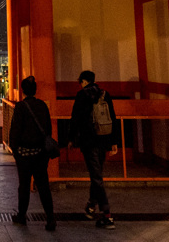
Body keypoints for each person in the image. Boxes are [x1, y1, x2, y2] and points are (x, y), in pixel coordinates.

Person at [68, 69, 118, 230]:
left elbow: (75, 118)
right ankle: (91, 206)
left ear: (83, 81)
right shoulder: (105, 94)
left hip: (88, 141)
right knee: (97, 174)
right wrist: (114, 141)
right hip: (103, 139)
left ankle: (107, 215)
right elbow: (113, 117)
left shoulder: (82, 95)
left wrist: (70, 139)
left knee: (96, 177)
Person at [8, 76, 56, 231]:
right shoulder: (42, 105)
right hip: (41, 152)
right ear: (35, 90)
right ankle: (50, 217)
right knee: (43, 185)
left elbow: (15, 130)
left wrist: (14, 149)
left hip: (24, 152)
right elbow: (48, 128)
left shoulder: (21, 107)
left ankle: (22, 215)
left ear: (22, 91)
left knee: (24, 185)